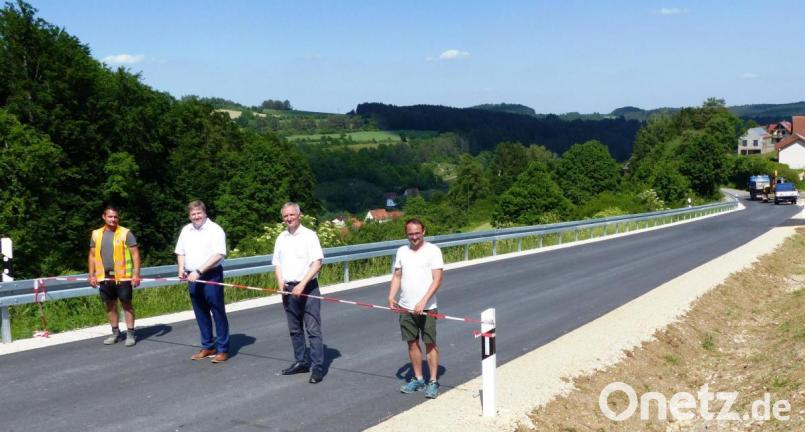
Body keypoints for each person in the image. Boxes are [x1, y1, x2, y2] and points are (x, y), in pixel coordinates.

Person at [388, 218, 444, 399]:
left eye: (417, 233)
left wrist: (423, 301)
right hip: (405, 306)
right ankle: (418, 378)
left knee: (430, 343)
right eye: (410, 234)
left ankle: (433, 381)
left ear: (423, 232)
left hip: (427, 308)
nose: (414, 237)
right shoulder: (401, 251)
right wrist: (391, 296)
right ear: (406, 234)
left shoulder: (433, 251)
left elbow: (437, 280)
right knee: (411, 342)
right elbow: (397, 276)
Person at [273, 202, 325, 384]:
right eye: (285, 216)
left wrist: (302, 285)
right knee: (294, 330)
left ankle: (317, 368)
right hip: (288, 289)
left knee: (313, 330)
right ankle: (301, 361)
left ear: (299, 215)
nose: (288, 219)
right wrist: (281, 283)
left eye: (291, 215)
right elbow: (277, 263)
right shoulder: (281, 238)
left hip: (308, 288)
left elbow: (317, 262)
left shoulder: (309, 236)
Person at [175, 200, 230, 363]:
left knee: (217, 311)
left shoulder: (215, 230)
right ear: (189, 216)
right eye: (193, 214)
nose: (196, 216)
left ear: (205, 213)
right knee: (200, 311)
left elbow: (219, 254)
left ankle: (222, 349)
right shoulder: (186, 230)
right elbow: (180, 252)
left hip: (210, 274)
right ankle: (208, 346)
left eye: (199, 213)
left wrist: (199, 271)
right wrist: (181, 269)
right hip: (192, 276)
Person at [88, 205, 141, 347]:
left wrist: (136, 274)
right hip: (104, 277)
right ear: (104, 217)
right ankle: (115, 333)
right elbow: (92, 255)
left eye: (115, 217)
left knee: (126, 305)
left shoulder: (125, 233)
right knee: (110, 305)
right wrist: (91, 274)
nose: (113, 219)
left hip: (123, 277)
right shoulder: (96, 234)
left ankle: (130, 333)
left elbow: (135, 254)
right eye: (110, 216)